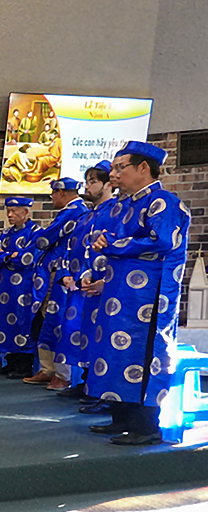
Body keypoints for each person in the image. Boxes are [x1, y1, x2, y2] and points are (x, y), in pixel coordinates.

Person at [85, 140, 191, 445]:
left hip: (149, 297)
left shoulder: (164, 202)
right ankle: (121, 418)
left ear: (143, 168)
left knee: (143, 356)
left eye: (121, 168)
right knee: (116, 352)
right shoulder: (124, 205)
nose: (114, 174)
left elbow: (162, 241)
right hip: (119, 293)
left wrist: (114, 245)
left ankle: (146, 427)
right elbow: (109, 239)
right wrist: (103, 244)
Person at [54, 161, 115, 400]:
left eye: (93, 182)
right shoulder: (85, 217)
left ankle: (99, 389)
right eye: (87, 181)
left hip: (101, 287)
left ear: (108, 184)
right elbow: (69, 248)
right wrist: (65, 274)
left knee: (99, 335)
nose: (87, 187)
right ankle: (86, 382)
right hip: (79, 285)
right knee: (79, 333)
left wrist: (102, 280)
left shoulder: (115, 213)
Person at [24, 178, 89, 389]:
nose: (51, 198)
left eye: (52, 193)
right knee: (48, 318)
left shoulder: (73, 211)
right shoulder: (75, 210)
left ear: (61, 192)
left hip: (64, 270)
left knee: (59, 320)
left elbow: (45, 239)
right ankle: (49, 369)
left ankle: (62, 373)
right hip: (58, 269)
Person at [0, 197, 41, 378]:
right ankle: (10, 362)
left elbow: (27, 259)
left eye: (14, 211)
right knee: (4, 321)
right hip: (5, 287)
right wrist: (10, 255)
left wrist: (5, 256)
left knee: (21, 322)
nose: (9, 215)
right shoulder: (6, 233)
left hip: (24, 287)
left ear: (26, 212)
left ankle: (24, 365)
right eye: (8, 211)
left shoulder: (35, 232)